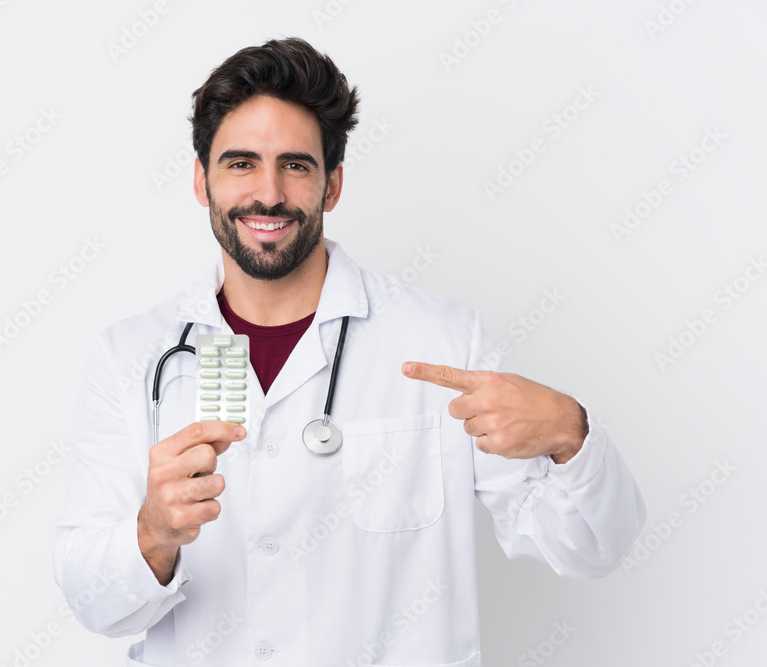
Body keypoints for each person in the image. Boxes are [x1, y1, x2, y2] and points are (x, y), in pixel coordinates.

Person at [53, 37, 646, 667]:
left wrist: (569, 436)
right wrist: (152, 535)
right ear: (202, 180)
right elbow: (94, 604)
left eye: (297, 165)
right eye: (241, 163)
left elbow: (588, 548)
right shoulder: (133, 358)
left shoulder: (441, 343)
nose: (270, 193)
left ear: (332, 184)